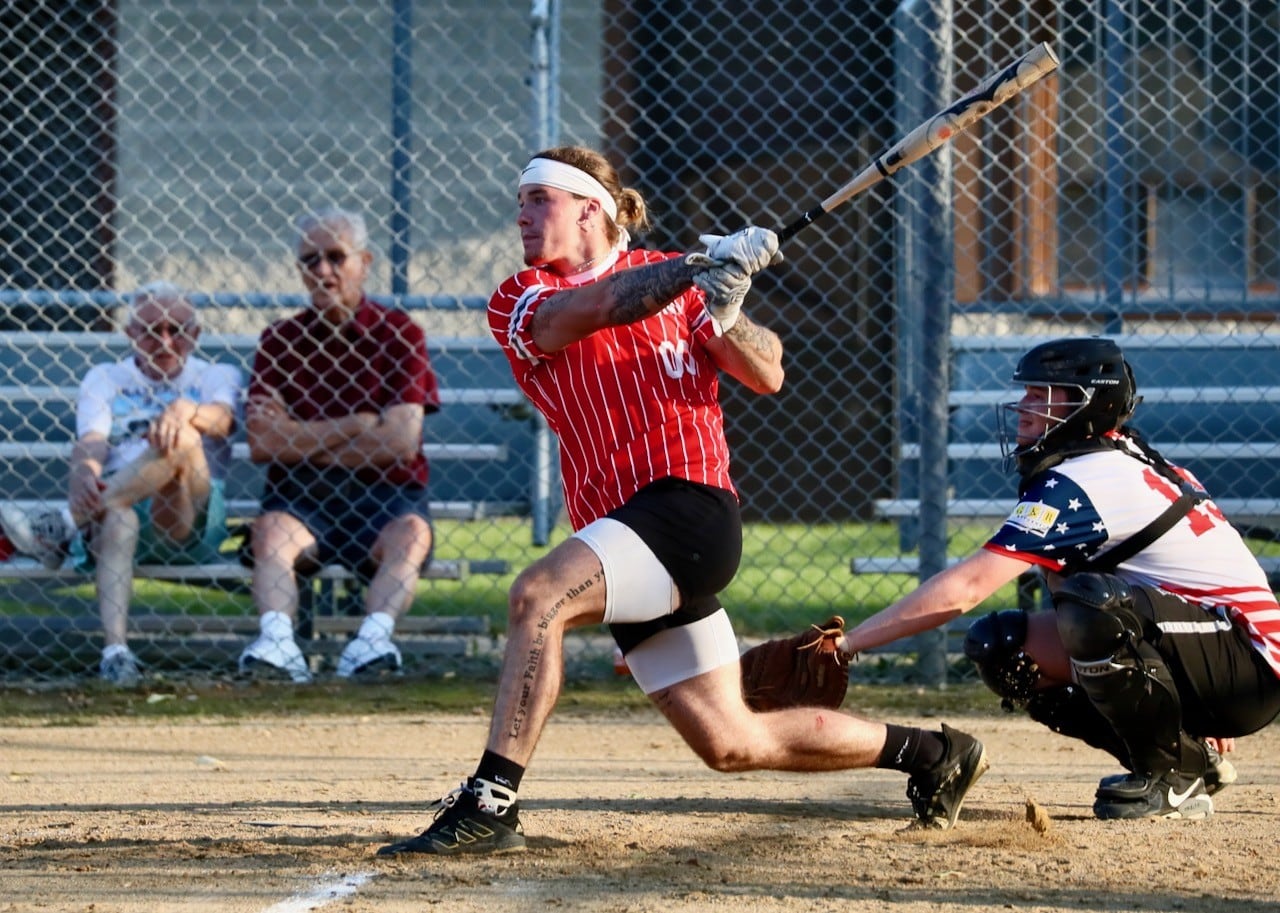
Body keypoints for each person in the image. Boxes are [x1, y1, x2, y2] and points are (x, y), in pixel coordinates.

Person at [376, 145, 988, 857]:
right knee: (731, 740)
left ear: (591, 210)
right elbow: (593, 308)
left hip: (688, 508)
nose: (523, 214)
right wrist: (698, 269)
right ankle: (933, 752)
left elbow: (768, 373)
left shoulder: (683, 289)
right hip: (621, 532)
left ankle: (491, 800)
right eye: (522, 200)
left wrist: (727, 310)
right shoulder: (520, 298)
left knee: (537, 596)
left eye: (541, 198)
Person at [838, 336, 1280, 821]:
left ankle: (1168, 772)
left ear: (1090, 404)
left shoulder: (1091, 475)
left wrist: (850, 643)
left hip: (1249, 662)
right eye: (1028, 393)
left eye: (1043, 394)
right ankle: (1186, 758)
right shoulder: (1113, 453)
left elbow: (967, 588)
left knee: (1092, 607)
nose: (1025, 407)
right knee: (1003, 647)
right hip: (1210, 644)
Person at [0, 281, 241, 687]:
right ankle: (116, 652)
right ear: (130, 334)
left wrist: (184, 410)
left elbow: (223, 420)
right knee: (119, 517)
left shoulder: (217, 374)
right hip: (122, 504)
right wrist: (83, 473)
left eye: (177, 330)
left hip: (191, 513)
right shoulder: (106, 377)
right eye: (151, 330)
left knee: (183, 437)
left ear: (196, 335)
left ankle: (64, 523)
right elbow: (92, 440)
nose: (165, 341)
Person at [237, 207, 440, 684]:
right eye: (310, 260)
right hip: (302, 496)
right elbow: (263, 443)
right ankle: (278, 646)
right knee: (269, 533)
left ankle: (371, 646)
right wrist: (357, 424)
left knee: (411, 534)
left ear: (363, 262)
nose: (323, 271)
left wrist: (299, 436)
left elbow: (400, 444)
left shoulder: (400, 334)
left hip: (386, 498)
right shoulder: (280, 340)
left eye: (335, 257)